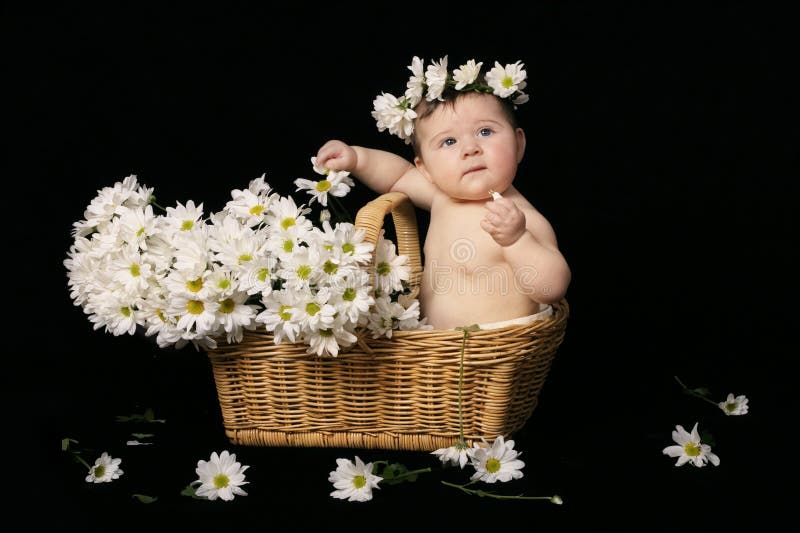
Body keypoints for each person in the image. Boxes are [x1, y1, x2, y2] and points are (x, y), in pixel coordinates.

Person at [315, 56, 570, 329]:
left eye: (485, 131)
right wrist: (356, 158)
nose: (470, 148)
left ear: (518, 145)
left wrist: (518, 240)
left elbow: (551, 289)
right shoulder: (442, 197)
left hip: (488, 353)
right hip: (432, 352)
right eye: (449, 141)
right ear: (425, 168)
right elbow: (396, 176)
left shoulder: (519, 219)